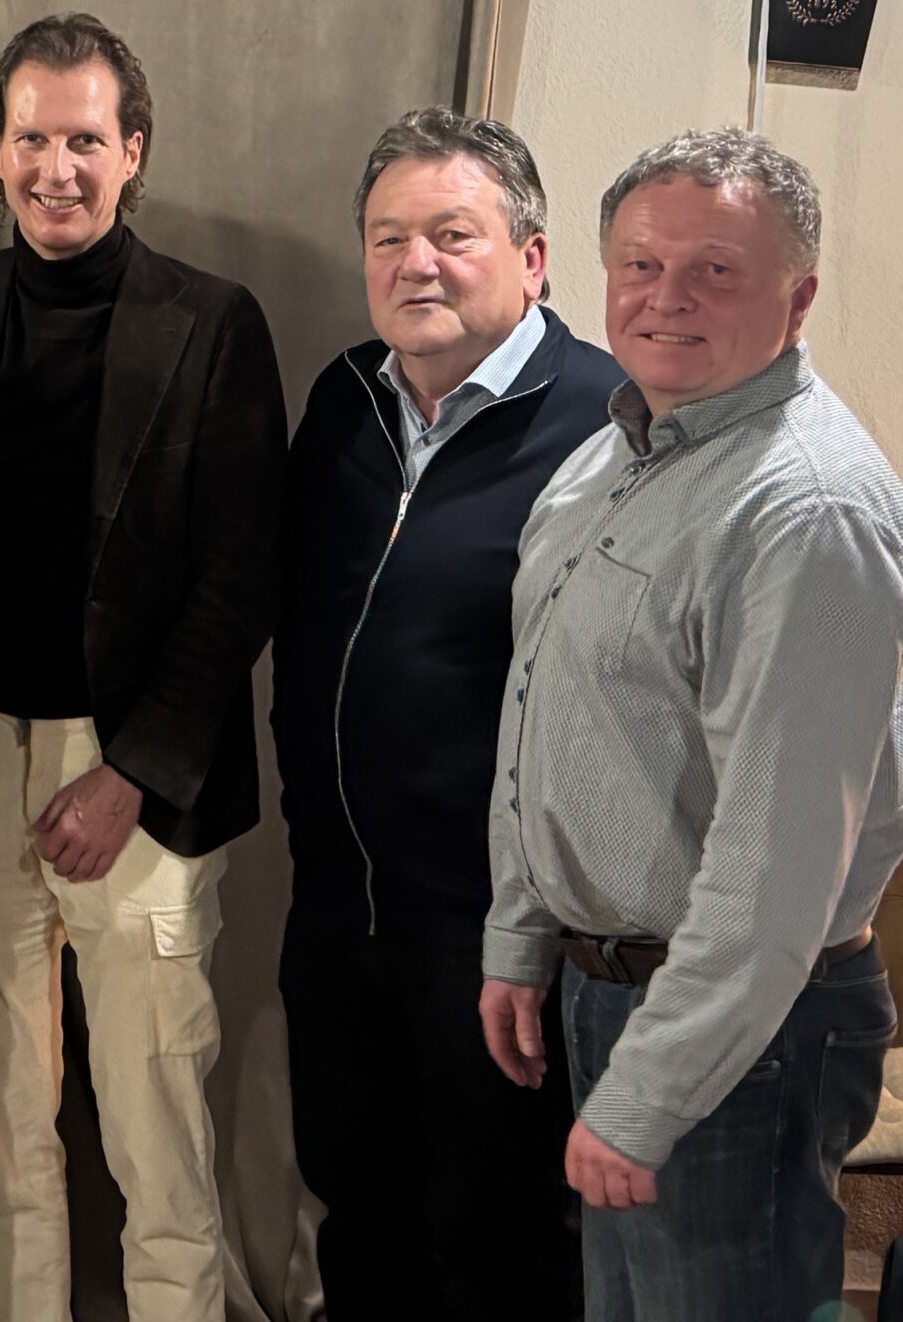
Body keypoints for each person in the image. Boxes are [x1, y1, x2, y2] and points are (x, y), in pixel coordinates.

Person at [0, 14, 285, 1319]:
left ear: (134, 152)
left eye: (88, 140)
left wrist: (131, 773)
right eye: (35, 138)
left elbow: (242, 576)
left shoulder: (215, 323)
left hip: (144, 772)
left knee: (156, 1127)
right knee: (2, 1132)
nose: (61, 166)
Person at [481, 127, 903, 1320]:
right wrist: (524, 929)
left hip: (744, 1034)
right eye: (638, 264)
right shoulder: (616, 454)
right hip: (614, 985)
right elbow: (546, 716)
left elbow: (777, 866)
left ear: (797, 294)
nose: (665, 298)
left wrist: (649, 1089)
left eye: (714, 269)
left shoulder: (803, 511)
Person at [274, 107, 619, 1321]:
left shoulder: (605, 425)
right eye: (386, 238)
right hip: (336, 916)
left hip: (498, 944)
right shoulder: (345, 400)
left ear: (531, 257)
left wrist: (525, 930)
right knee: (355, 1208)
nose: (413, 262)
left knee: (497, 1242)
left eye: (449, 233)